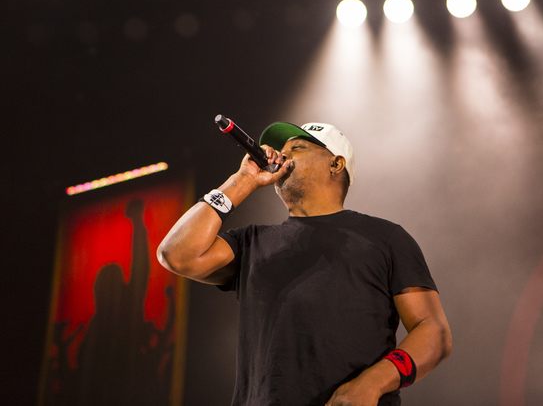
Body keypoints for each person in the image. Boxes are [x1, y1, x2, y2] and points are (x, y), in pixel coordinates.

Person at [158, 121, 452, 405]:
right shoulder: (251, 242)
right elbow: (176, 254)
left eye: (297, 148)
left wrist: (372, 384)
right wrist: (242, 181)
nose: (281, 155)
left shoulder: (385, 238)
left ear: (336, 164)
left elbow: (433, 332)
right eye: (281, 150)